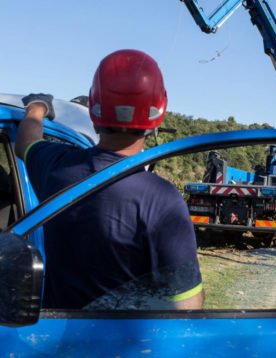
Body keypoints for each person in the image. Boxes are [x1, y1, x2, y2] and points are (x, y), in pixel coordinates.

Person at [14, 49, 204, 310]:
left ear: (93, 107)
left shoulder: (57, 166)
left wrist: (37, 107)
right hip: (122, 349)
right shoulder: (162, 199)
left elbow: (26, 142)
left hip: (54, 340)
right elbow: (187, 305)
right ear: (158, 113)